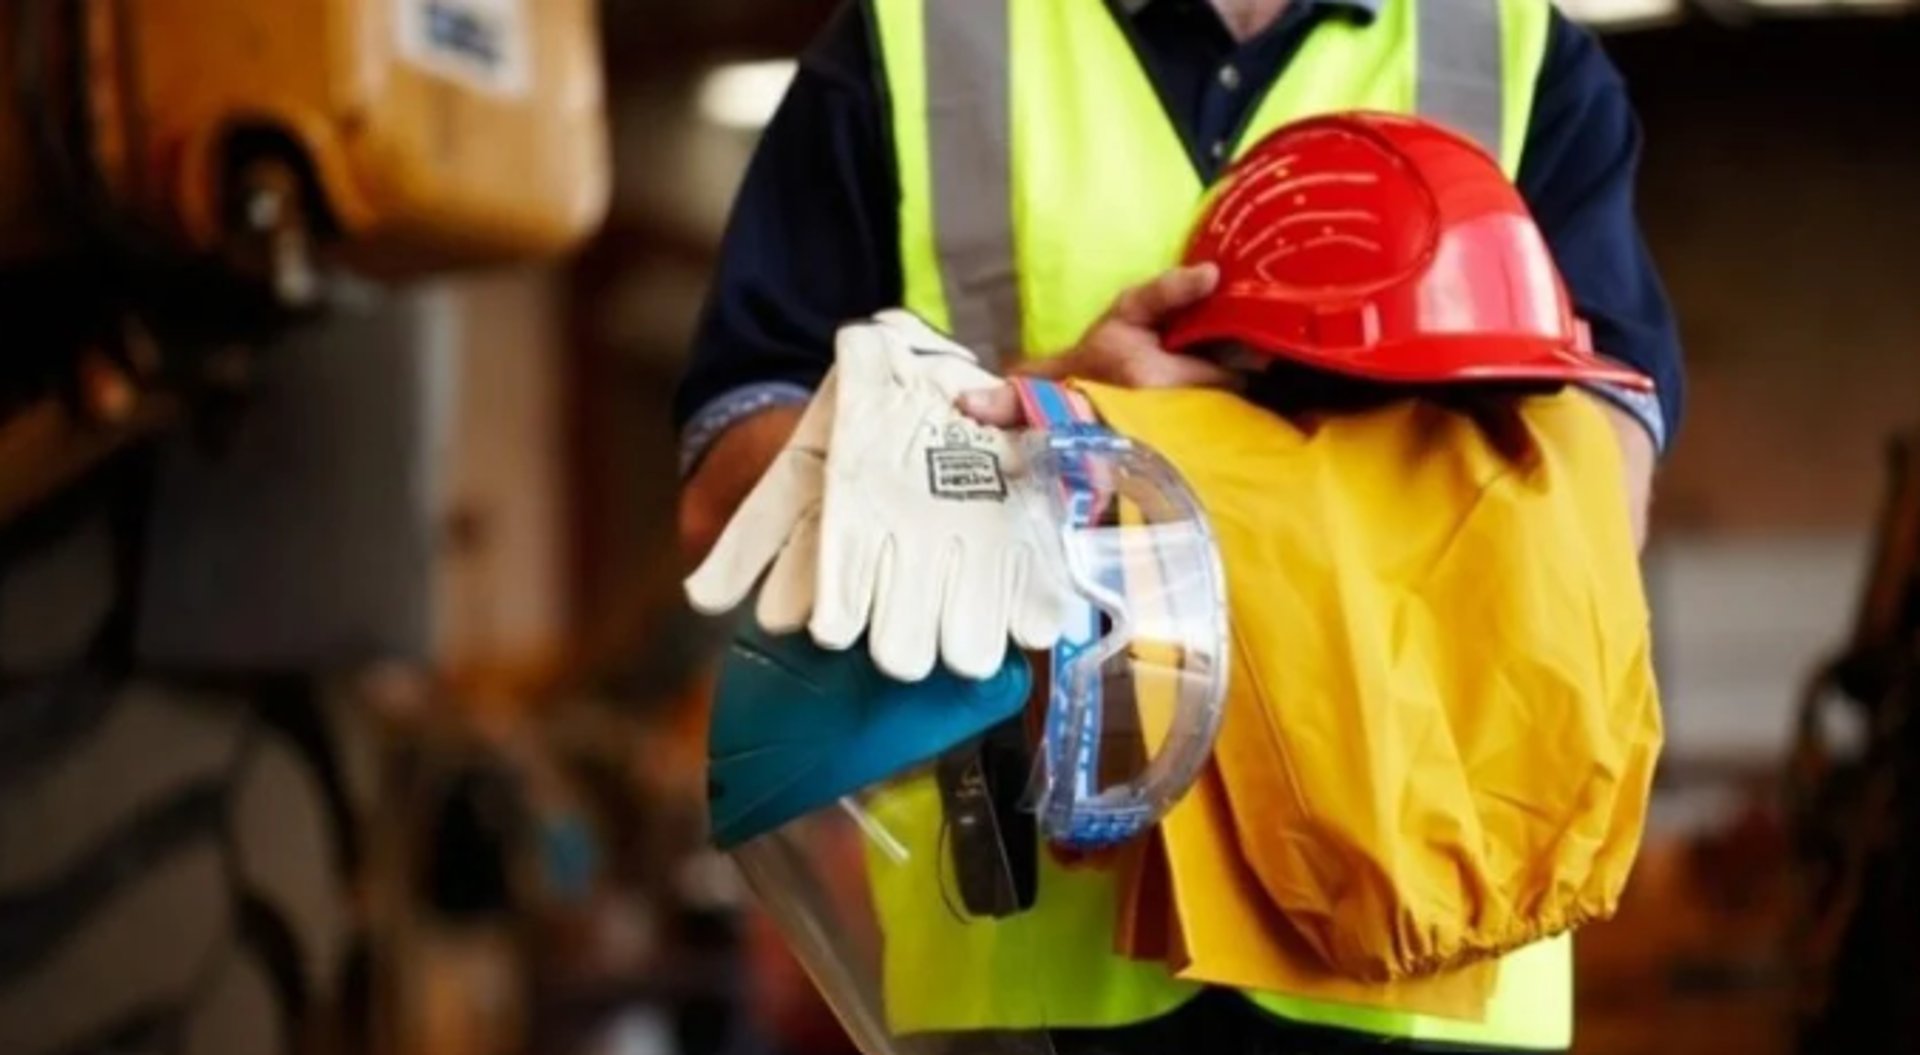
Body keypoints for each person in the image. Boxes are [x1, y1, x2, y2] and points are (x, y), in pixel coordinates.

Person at [676, 2, 1684, 1051]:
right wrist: (1051, 411)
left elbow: (1595, 504)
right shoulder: (917, 39)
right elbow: (725, 503)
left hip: (1429, 955)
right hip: (1029, 955)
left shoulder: (1517, 56)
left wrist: (1157, 444)